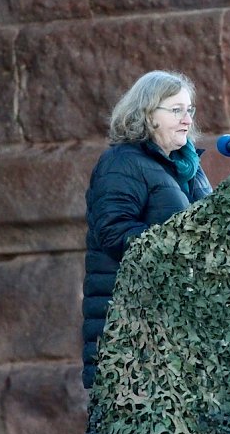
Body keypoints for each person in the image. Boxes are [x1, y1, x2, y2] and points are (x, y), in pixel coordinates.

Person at [81, 70, 212, 390]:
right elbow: (113, 232)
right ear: (147, 113)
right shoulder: (122, 163)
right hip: (132, 328)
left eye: (189, 110)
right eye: (176, 110)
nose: (187, 119)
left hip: (180, 326)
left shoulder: (188, 166)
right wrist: (177, 245)